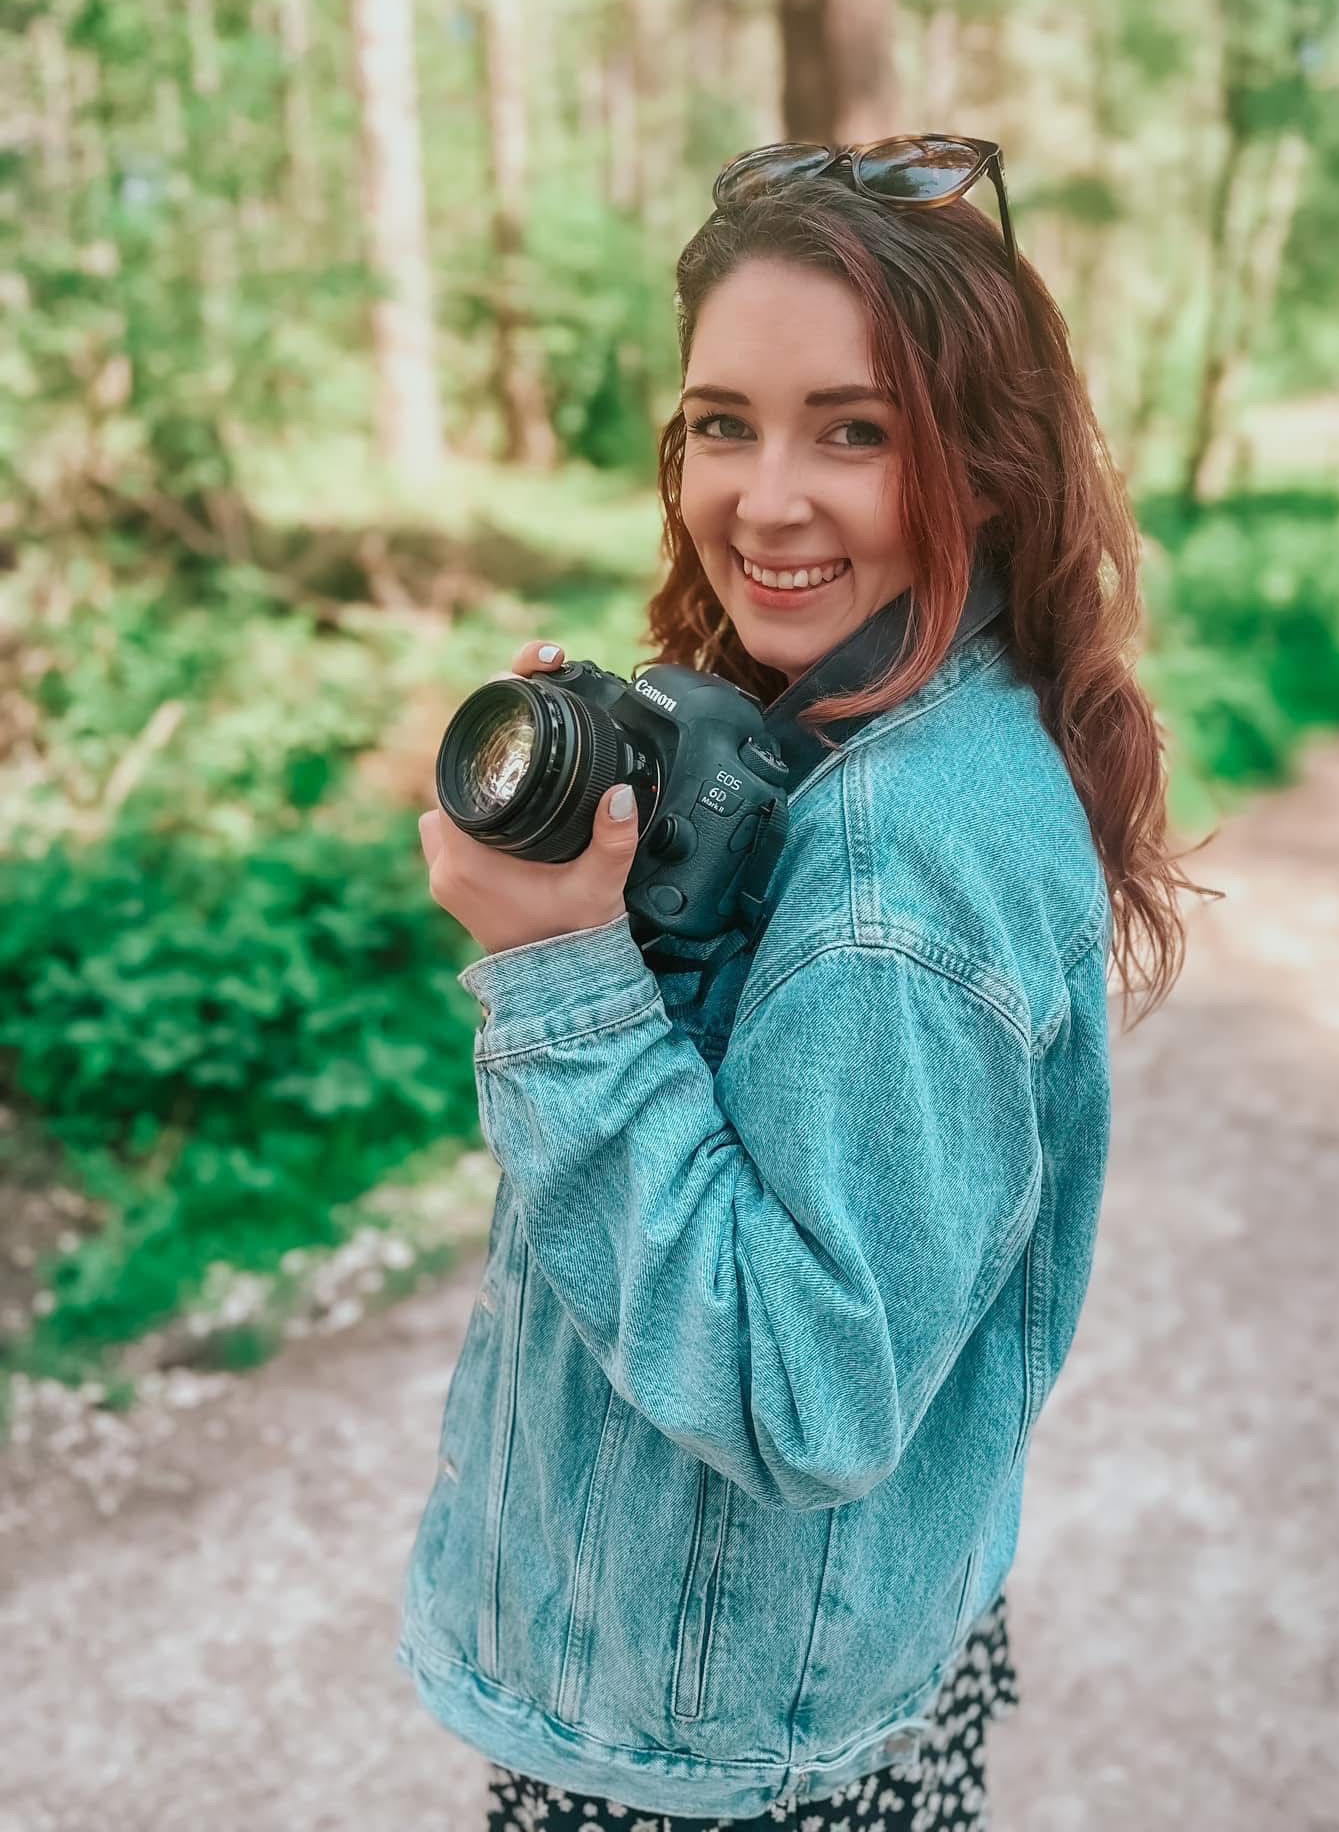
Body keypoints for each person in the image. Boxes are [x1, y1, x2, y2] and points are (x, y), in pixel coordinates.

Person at [406, 136, 1197, 1830]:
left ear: (978, 462)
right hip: (808, 1689)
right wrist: (632, 876)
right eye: (721, 423)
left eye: (857, 430)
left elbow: (803, 1385)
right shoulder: (890, 724)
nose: (765, 499)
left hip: (722, 1774)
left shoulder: (896, 848)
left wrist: (558, 974)